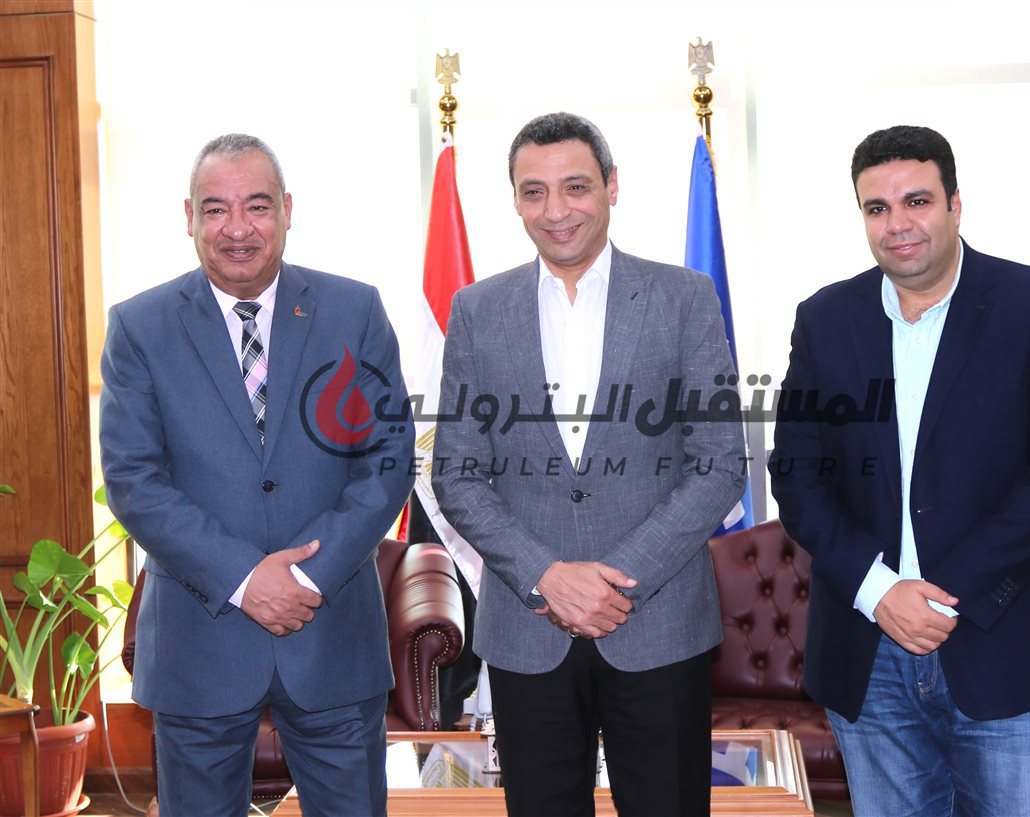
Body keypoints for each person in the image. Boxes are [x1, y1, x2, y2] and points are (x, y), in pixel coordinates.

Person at [769, 125, 1030, 817]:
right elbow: (799, 475)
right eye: (877, 208)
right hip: (870, 652)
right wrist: (879, 590)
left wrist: (940, 596)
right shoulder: (825, 320)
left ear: (955, 203)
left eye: (917, 201)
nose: (897, 224)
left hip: (1010, 643)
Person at [431, 112, 746, 817]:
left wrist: (614, 580)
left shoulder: (684, 298)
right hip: (529, 628)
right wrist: (548, 576)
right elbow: (456, 472)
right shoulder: (477, 310)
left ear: (611, 186)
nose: (556, 210)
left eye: (575, 187)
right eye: (534, 192)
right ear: (516, 201)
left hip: (658, 622)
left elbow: (720, 462)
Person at [99, 133, 413, 817]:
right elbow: (134, 479)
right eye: (216, 208)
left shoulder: (354, 310)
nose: (237, 228)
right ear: (189, 216)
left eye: (257, 206)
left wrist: (305, 578)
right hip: (199, 640)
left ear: (288, 210)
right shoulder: (139, 327)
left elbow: (387, 459)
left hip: (330, 632)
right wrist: (245, 579)